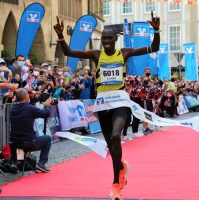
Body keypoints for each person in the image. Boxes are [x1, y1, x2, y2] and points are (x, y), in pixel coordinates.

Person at [53, 11, 160, 199]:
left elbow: (153, 47)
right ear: (102, 41)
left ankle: (116, 184)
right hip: (102, 104)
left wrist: (156, 30)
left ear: (115, 40)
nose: (107, 41)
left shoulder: (124, 53)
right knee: (111, 145)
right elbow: (69, 52)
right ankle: (121, 167)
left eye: (110, 38)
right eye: (104, 39)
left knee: (116, 136)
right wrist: (61, 37)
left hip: (120, 102)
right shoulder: (96, 55)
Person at [10, 88, 53, 172]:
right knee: (47, 138)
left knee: (18, 142)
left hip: (14, 143)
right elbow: (46, 113)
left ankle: (14, 163)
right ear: (26, 97)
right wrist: (47, 106)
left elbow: (25, 116)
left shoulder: (12, 108)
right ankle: (41, 164)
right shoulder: (29, 108)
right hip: (28, 142)